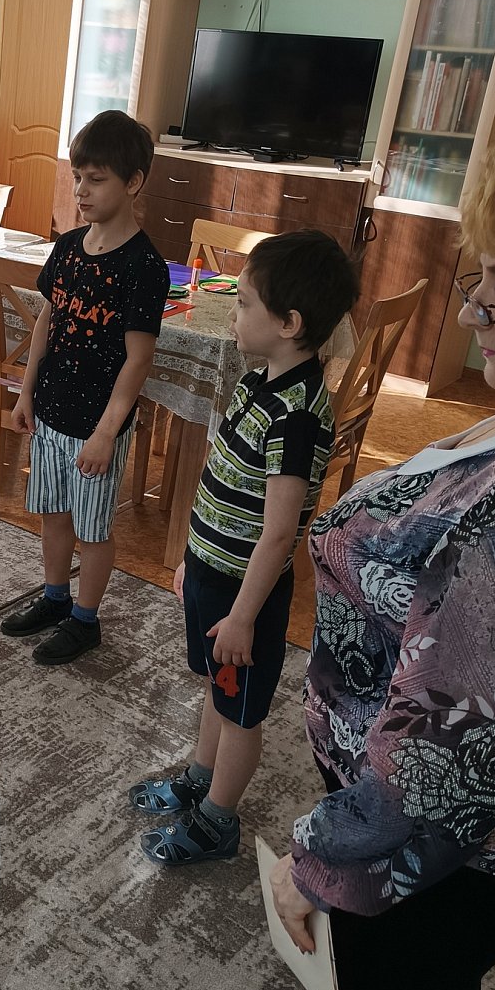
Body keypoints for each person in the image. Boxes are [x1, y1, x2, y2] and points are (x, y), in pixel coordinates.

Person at [228, 144, 495, 990]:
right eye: (483, 275)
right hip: (468, 865)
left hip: (420, 859)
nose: (476, 306)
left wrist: (318, 859)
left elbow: (436, 767)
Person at [130, 229, 360, 865]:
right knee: (218, 685)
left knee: (240, 711)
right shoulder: (260, 381)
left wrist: (241, 617)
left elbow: (281, 532)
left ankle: (218, 820)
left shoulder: (298, 416)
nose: (234, 314)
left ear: (289, 323)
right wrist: (191, 557)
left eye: (244, 304)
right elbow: (220, 483)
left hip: (246, 596)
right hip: (215, 574)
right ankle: (201, 779)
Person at [1, 110, 169, 665]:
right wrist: (26, 392)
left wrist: (105, 433)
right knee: (53, 513)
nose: (80, 190)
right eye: (78, 177)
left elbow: (138, 361)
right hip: (51, 412)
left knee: (93, 530)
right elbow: (46, 322)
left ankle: (85, 619)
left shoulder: (144, 267)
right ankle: (55, 597)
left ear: (133, 182)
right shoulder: (69, 246)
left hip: (98, 428)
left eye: (96, 179)